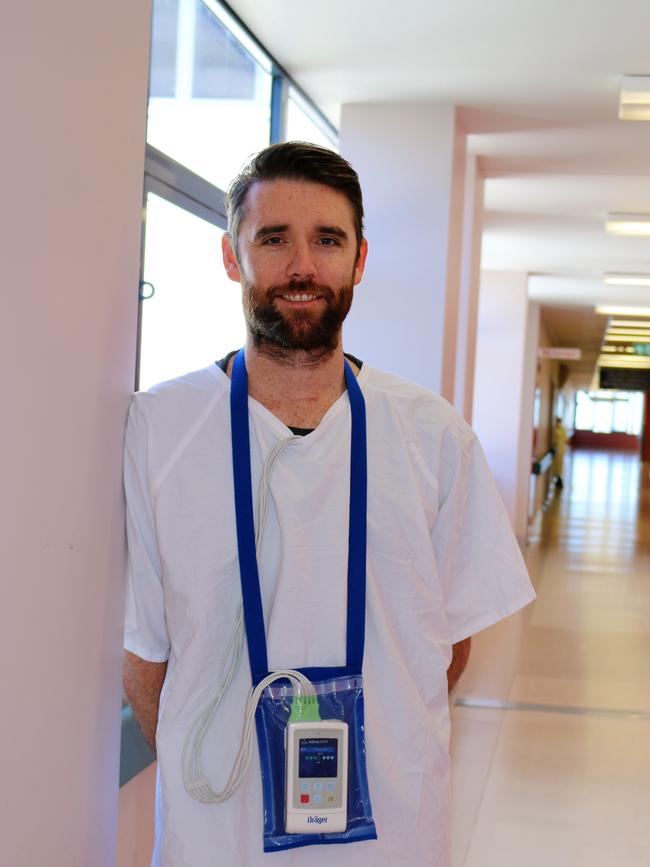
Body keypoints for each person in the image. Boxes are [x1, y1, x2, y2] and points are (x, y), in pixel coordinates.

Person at [122, 142, 536, 867]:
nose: (302, 266)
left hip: (389, 828)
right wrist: (217, 756)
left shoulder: (431, 433)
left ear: (360, 259)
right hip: (218, 830)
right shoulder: (161, 429)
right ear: (230, 255)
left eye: (328, 239)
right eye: (273, 238)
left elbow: (449, 644)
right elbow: (144, 655)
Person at [551, 416, 569, 490]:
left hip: (559, 450)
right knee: (559, 465)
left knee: (558, 465)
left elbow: (555, 441)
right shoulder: (563, 429)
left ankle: (559, 479)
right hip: (561, 449)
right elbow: (566, 439)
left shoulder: (557, 430)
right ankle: (558, 479)